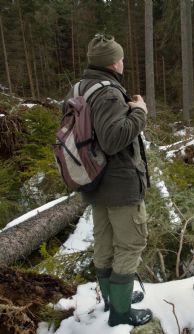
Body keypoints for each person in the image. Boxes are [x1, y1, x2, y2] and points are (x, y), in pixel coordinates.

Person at [64, 34, 152, 327]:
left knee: (105, 243)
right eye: (121, 57)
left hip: (94, 181)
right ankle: (121, 312)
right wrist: (139, 112)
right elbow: (114, 139)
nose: (123, 61)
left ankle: (114, 299)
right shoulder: (109, 93)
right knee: (130, 245)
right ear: (114, 62)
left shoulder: (80, 87)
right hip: (119, 184)